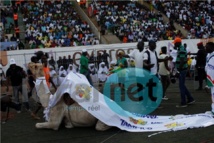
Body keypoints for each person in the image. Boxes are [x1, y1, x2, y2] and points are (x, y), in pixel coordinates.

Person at [173, 37, 195, 108]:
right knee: (182, 85)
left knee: (181, 86)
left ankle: (183, 102)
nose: (175, 45)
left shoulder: (181, 49)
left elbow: (182, 60)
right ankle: (190, 98)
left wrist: (178, 70)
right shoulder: (180, 48)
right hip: (182, 69)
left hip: (182, 69)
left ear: (178, 43)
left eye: (175, 43)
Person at [205, 42, 214, 115]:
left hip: (212, 78)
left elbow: (212, 70)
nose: (206, 48)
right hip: (210, 78)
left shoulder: (213, 56)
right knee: (212, 94)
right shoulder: (209, 55)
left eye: (207, 47)